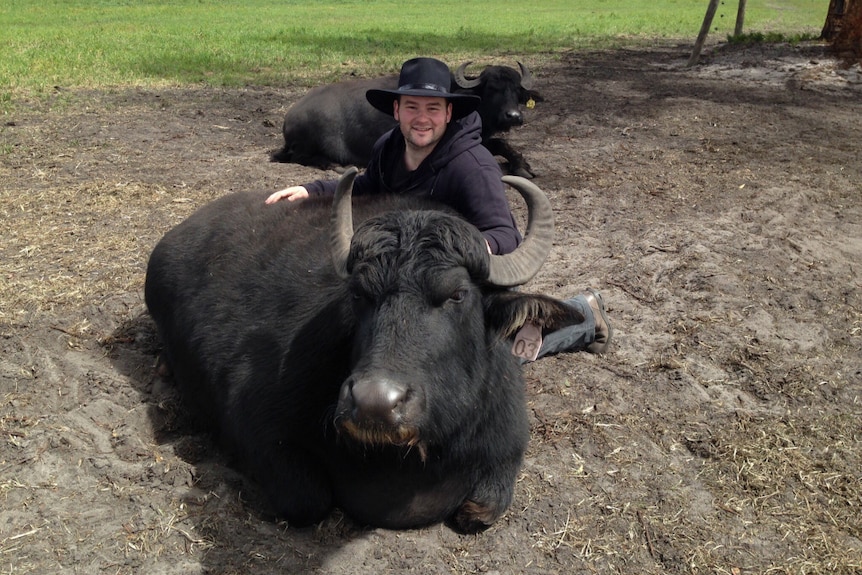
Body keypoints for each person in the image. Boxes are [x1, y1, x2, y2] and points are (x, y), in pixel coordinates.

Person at [266, 57, 611, 358]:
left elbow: (507, 235)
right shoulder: (390, 146)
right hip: (414, 279)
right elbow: (368, 185)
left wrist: (464, 249)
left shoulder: (472, 166)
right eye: (412, 107)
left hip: (466, 284)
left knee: (476, 362)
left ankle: (583, 316)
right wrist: (311, 190)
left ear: (449, 113)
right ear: (396, 110)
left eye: (432, 109)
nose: (422, 119)